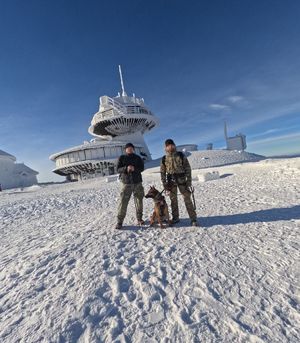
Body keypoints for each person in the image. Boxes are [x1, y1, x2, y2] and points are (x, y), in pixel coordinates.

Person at [160, 139, 198, 226]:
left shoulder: (181, 155)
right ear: (166, 147)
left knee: (187, 199)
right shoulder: (164, 158)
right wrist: (164, 184)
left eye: (171, 145)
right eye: (168, 145)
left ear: (174, 145)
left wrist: (188, 182)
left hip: (182, 181)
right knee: (173, 201)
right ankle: (175, 218)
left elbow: (188, 169)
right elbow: (162, 172)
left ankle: (193, 219)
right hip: (171, 183)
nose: (170, 146)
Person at [115, 143, 145, 230]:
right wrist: (126, 168)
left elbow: (142, 168)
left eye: (131, 148)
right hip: (126, 183)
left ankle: (139, 218)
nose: (130, 149)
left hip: (137, 183)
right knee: (123, 202)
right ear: (125, 149)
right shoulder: (122, 158)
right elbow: (118, 169)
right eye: (128, 148)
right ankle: (119, 221)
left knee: (139, 201)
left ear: (133, 149)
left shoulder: (138, 158)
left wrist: (134, 169)